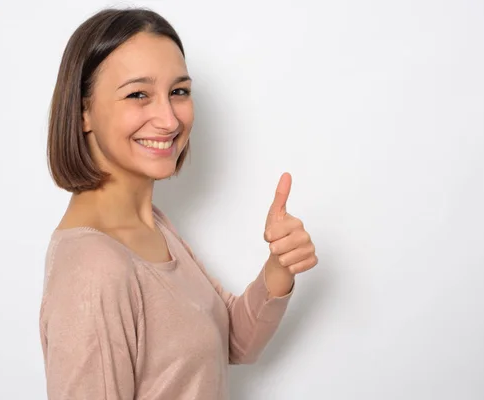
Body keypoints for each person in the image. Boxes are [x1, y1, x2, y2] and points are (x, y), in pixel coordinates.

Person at [39, 7, 318, 400]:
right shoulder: (93, 267)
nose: (169, 120)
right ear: (84, 110)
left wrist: (279, 266)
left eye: (179, 92)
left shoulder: (152, 224)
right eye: (138, 94)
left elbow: (231, 341)